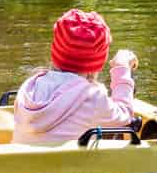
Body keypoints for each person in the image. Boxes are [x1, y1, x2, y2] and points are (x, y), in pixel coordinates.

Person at [10, 8, 139, 145]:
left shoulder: (29, 87)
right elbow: (125, 115)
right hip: (70, 166)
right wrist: (121, 67)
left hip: (22, 165)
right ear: (97, 62)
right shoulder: (92, 97)